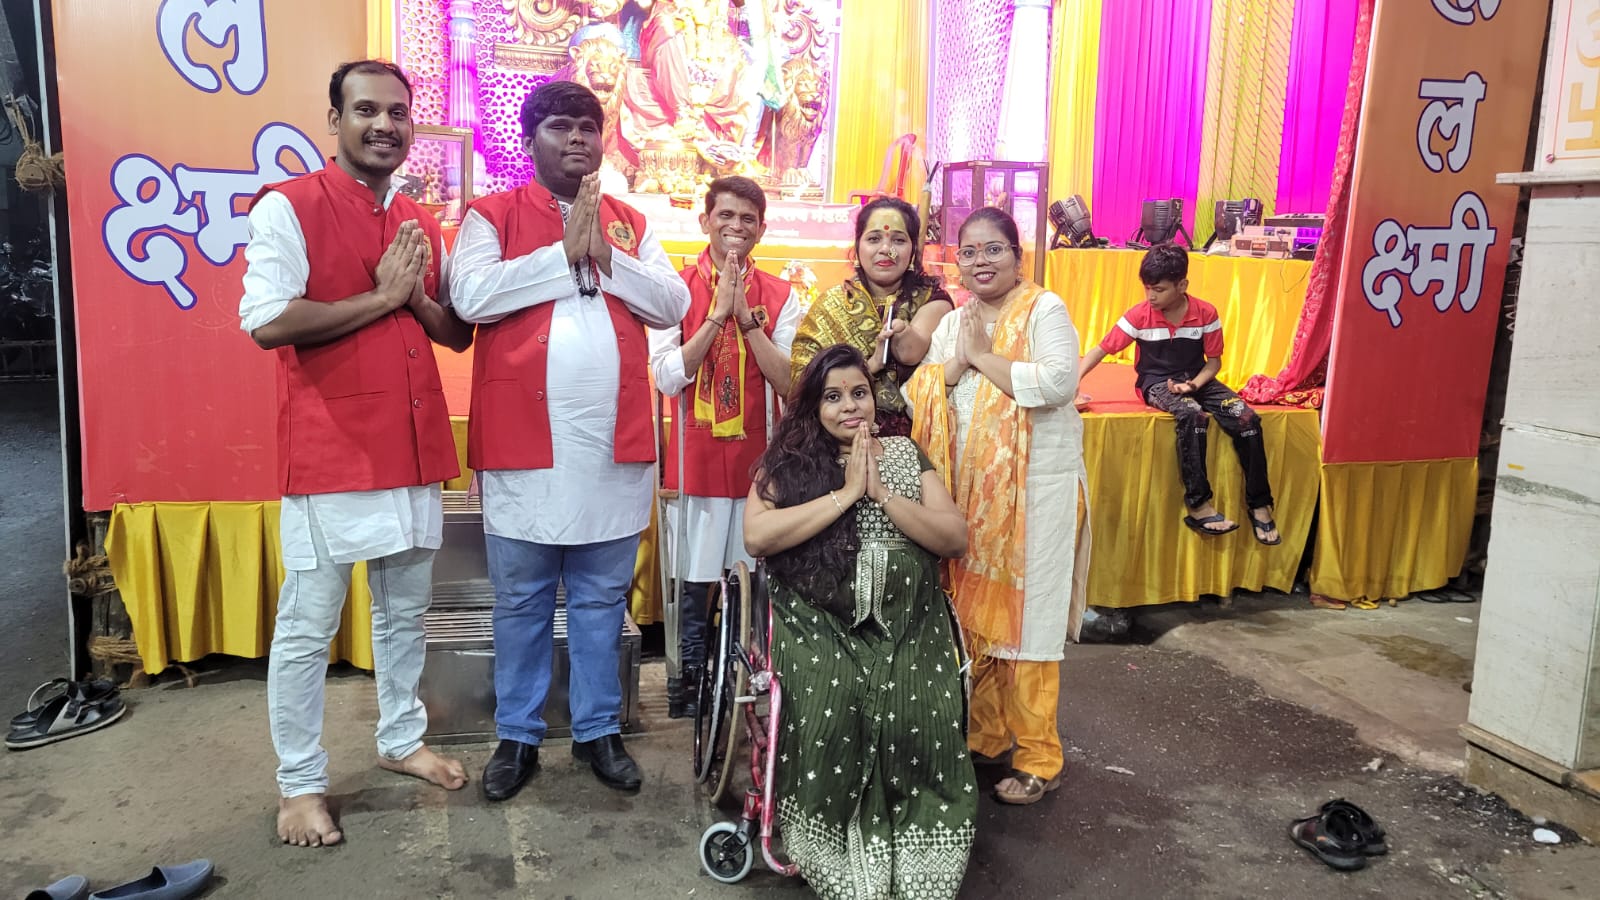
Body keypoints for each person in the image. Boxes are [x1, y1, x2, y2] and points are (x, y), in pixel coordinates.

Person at [240, 59, 474, 848]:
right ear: (333, 119)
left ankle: (400, 738)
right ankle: (299, 785)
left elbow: (453, 333)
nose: (385, 124)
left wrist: (413, 296)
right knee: (308, 625)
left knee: (405, 612)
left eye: (399, 112)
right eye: (366, 109)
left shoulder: (416, 218)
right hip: (333, 450)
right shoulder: (289, 208)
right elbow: (269, 321)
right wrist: (378, 298)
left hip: (412, 445)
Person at [449, 80, 691, 800]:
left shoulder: (629, 221)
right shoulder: (489, 216)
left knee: (598, 599)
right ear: (531, 139)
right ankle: (517, 735)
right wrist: (563, 253)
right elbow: (472, 296)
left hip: (609, 450)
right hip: (527, 451)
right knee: (520, 601)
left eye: (589, 126)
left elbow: (673, 302)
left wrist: (605, 258)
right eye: (561, 126)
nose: (578, 138)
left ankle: (597, 731)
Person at [744, 344, 975, 899]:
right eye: (833, 396)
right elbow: (757, 536)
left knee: (918, 700)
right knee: (836, 695)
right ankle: (837, 848)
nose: (850, 407)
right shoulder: (791, 461)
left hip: (909, 622)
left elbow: (954, 538)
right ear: (812, 407)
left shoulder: (903, 453)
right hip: (815, 622)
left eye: (860, 394)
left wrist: (881, 494)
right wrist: (846, 495)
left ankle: (920, 845)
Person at [905, 206, 1090, 806]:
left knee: (1029, 625)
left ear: (1017, 255)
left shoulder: (1045, 309)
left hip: (1036, 495)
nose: (980, 261)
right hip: (973, 496)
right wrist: (959, 359)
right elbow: (918, 393)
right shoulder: (954, 321)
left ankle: (1040, 756)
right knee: (978, 620)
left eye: (994, 250)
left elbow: (1060, 383)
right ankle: (985, 738)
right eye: (970, 251)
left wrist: (982, 357)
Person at [647, 175, 803, 718]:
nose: (736, 228)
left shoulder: (783, 296)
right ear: (705, 220)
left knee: (753, 571)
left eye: (748, 220)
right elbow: (667, 377)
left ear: (761, 229)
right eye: (726, 216)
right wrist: (716, 316)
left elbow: (789, 384)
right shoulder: (674, 289)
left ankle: (748, 672)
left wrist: (746, 320)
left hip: (761, 460)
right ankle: (689, 677)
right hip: (696, 454)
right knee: (695, 570)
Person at [1078, 243, 1279, 544]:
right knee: (1191, 414)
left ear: (1182, 285)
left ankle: (1260, 504)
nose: (1151, 296)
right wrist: (1072, 384)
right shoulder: (1139, 315)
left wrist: (1194, 385)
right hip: (1156, 382)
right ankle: (1198, 505)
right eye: (1147, 288)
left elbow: (1214, 363)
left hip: (1198, 378)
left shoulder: (1206, 313)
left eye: (1158, 289)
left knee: (1247, 418)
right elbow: (1101, 349)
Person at [789, 196, 953, 436]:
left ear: (913, 249)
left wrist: (900, 331)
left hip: (917, 442)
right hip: (838, 441)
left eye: (898, 240)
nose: (885, 249)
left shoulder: (932, 300)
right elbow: (801, 385)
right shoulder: (831, 306)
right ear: (857, 247)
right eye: (874, 239)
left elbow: (912, 353)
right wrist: (870, 366)